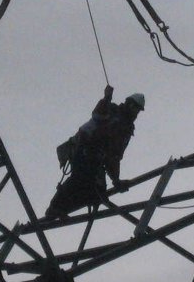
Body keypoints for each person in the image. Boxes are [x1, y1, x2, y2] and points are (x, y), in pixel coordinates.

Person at [44, 86, 145, 222]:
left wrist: (116, 180)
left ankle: (64, 208)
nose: (135, 112)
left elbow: (114, 156)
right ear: (128, 103)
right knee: (81, 177)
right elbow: (98, 115)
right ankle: (55, 207)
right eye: (134, 107)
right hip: (84, 146)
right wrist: (106, 98)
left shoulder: (126, 129)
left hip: (96, 156)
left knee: (97, 191)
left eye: (137, 109)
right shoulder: (112, 111)